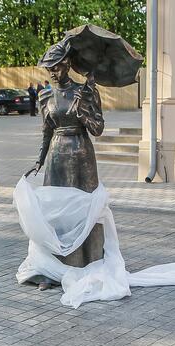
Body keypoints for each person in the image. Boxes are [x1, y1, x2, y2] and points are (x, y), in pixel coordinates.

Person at [27, 41, 105, 291]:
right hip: (57, 156)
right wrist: (40, 159)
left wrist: (83, 113)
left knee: (83, 210)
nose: (51, 71)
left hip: (82, 153)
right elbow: (46, 131)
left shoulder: (86, 92)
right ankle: (54, 270)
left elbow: (98, 129)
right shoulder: (45, 95)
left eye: (56, 66)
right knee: (56, 213)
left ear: (67, 64)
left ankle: (89, 264)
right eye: (48, 67)